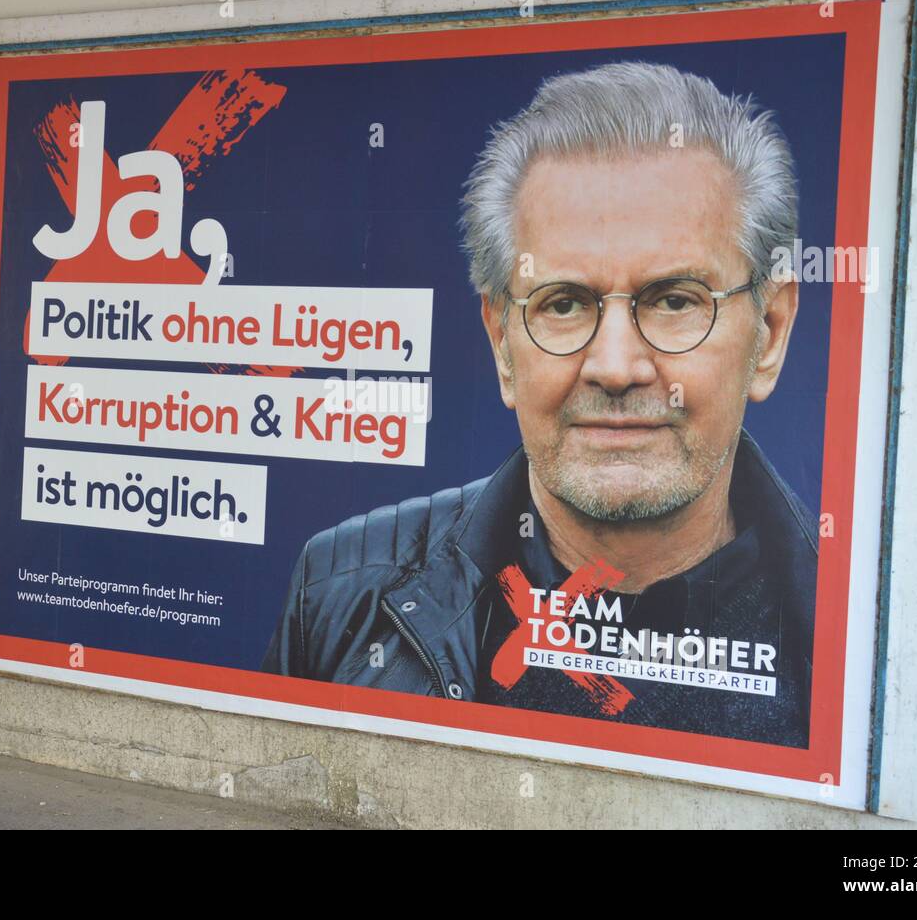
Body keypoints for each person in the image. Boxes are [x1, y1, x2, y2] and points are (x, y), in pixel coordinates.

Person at [261, 61, 817, 747]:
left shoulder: (859, 634)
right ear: (502, 344)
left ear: (769, 333)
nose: (615, 368)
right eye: (563, 303)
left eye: (676, 301)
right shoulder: (341, 588)